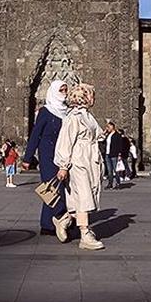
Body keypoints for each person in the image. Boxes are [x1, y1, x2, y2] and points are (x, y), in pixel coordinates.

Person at [55, 83, 106, 251]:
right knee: (84, 196)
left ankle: (64, 220)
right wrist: (63, 166)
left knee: (87, 194)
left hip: (90, 159)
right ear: (83, 97)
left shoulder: (87, 116)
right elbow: (65, 142)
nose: (94, 98)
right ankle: (85, 234)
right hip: (78, 161)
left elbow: (95, 134)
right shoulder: (73, 117)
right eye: (91, 95)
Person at [21, 81, 71, 240]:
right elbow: (35, 134)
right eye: (61, 90)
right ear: (54, 91)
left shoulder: (67, 112)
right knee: (52, 187)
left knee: (56, 187)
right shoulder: (46, 112)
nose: (64, 92)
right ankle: (62, 215)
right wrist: (28, 158)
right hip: (48, 155)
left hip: (63, 155)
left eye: (65, 89)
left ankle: (47, 224)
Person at [101, 121, 125, 189]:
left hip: (114, 154)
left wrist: (120, 154)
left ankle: (118, 183)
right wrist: (104, 134)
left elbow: (120, 145)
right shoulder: (108, 135)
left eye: (108, 127)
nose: (107, 128)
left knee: (115, 169)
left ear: (112, 127)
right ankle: (110, 183)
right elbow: (102, 142)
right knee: (109, 170)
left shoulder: (117, 135)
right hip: (107, 154)